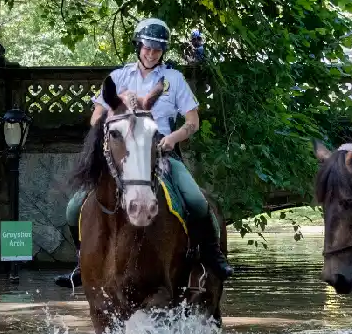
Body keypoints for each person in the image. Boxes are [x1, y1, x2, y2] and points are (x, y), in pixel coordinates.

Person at [55, 17, 233, 287]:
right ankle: (83, 262)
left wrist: (173, 138)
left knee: (197, 202)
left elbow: (193, 122)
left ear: (163, 52)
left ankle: (210, 255)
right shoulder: (117, 77)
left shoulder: (174, 79)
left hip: (159, 149)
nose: (151, 54)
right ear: (138, 46)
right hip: (121, 152)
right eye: (147, 48)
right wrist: (118, 111)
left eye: (157, 50)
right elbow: (95, 120)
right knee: (72, 208)